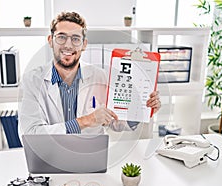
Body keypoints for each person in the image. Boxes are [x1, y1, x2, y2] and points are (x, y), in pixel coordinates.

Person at [19, 11, 161, 136]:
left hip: (91, 155)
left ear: (84, 44)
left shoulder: (99, 76)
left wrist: (141, 109)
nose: (68, 45)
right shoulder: (32, 80)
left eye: (75, 39)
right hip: (51, 157)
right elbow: (31, 133)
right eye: (61, 37)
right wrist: (88, 120)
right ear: (51, 41)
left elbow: (115, 121)